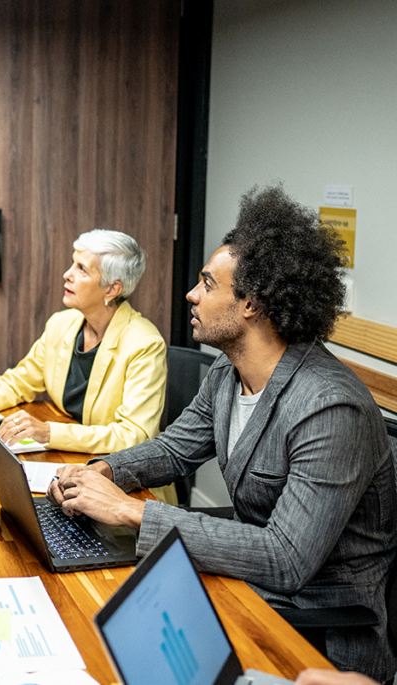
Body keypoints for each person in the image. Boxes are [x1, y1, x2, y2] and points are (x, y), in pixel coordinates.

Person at [47, 185, 396, 681]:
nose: (191, 294)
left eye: (208, 284)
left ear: (251, 304)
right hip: (247, 583)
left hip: (317, 635)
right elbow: (174, 448)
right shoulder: (230, 373)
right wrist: (100, 472)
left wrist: (128, 509)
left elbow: (285, 559)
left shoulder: (330, 409)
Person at [0, 229, 167, 455]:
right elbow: (19, 381)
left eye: (82, 269)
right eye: (72, 263)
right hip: (67, 458)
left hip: (121, 473)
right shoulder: (61, 324)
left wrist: (48, 433)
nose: (67, 274)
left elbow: (133, 436)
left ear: (112, 289)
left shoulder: (145, 344)